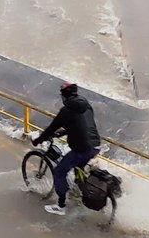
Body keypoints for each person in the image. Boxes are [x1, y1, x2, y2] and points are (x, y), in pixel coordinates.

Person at [32, 82, 100, 216]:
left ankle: (61, 205)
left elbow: (52, 127)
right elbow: (80, 124)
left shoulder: (66, 110)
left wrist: (38, 140)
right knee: (78, 169)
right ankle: (80, 192)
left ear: (64, 96)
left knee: (59, 172)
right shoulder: (86, 106)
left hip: (81, 149)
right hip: (95, 145)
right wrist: (62, 132)